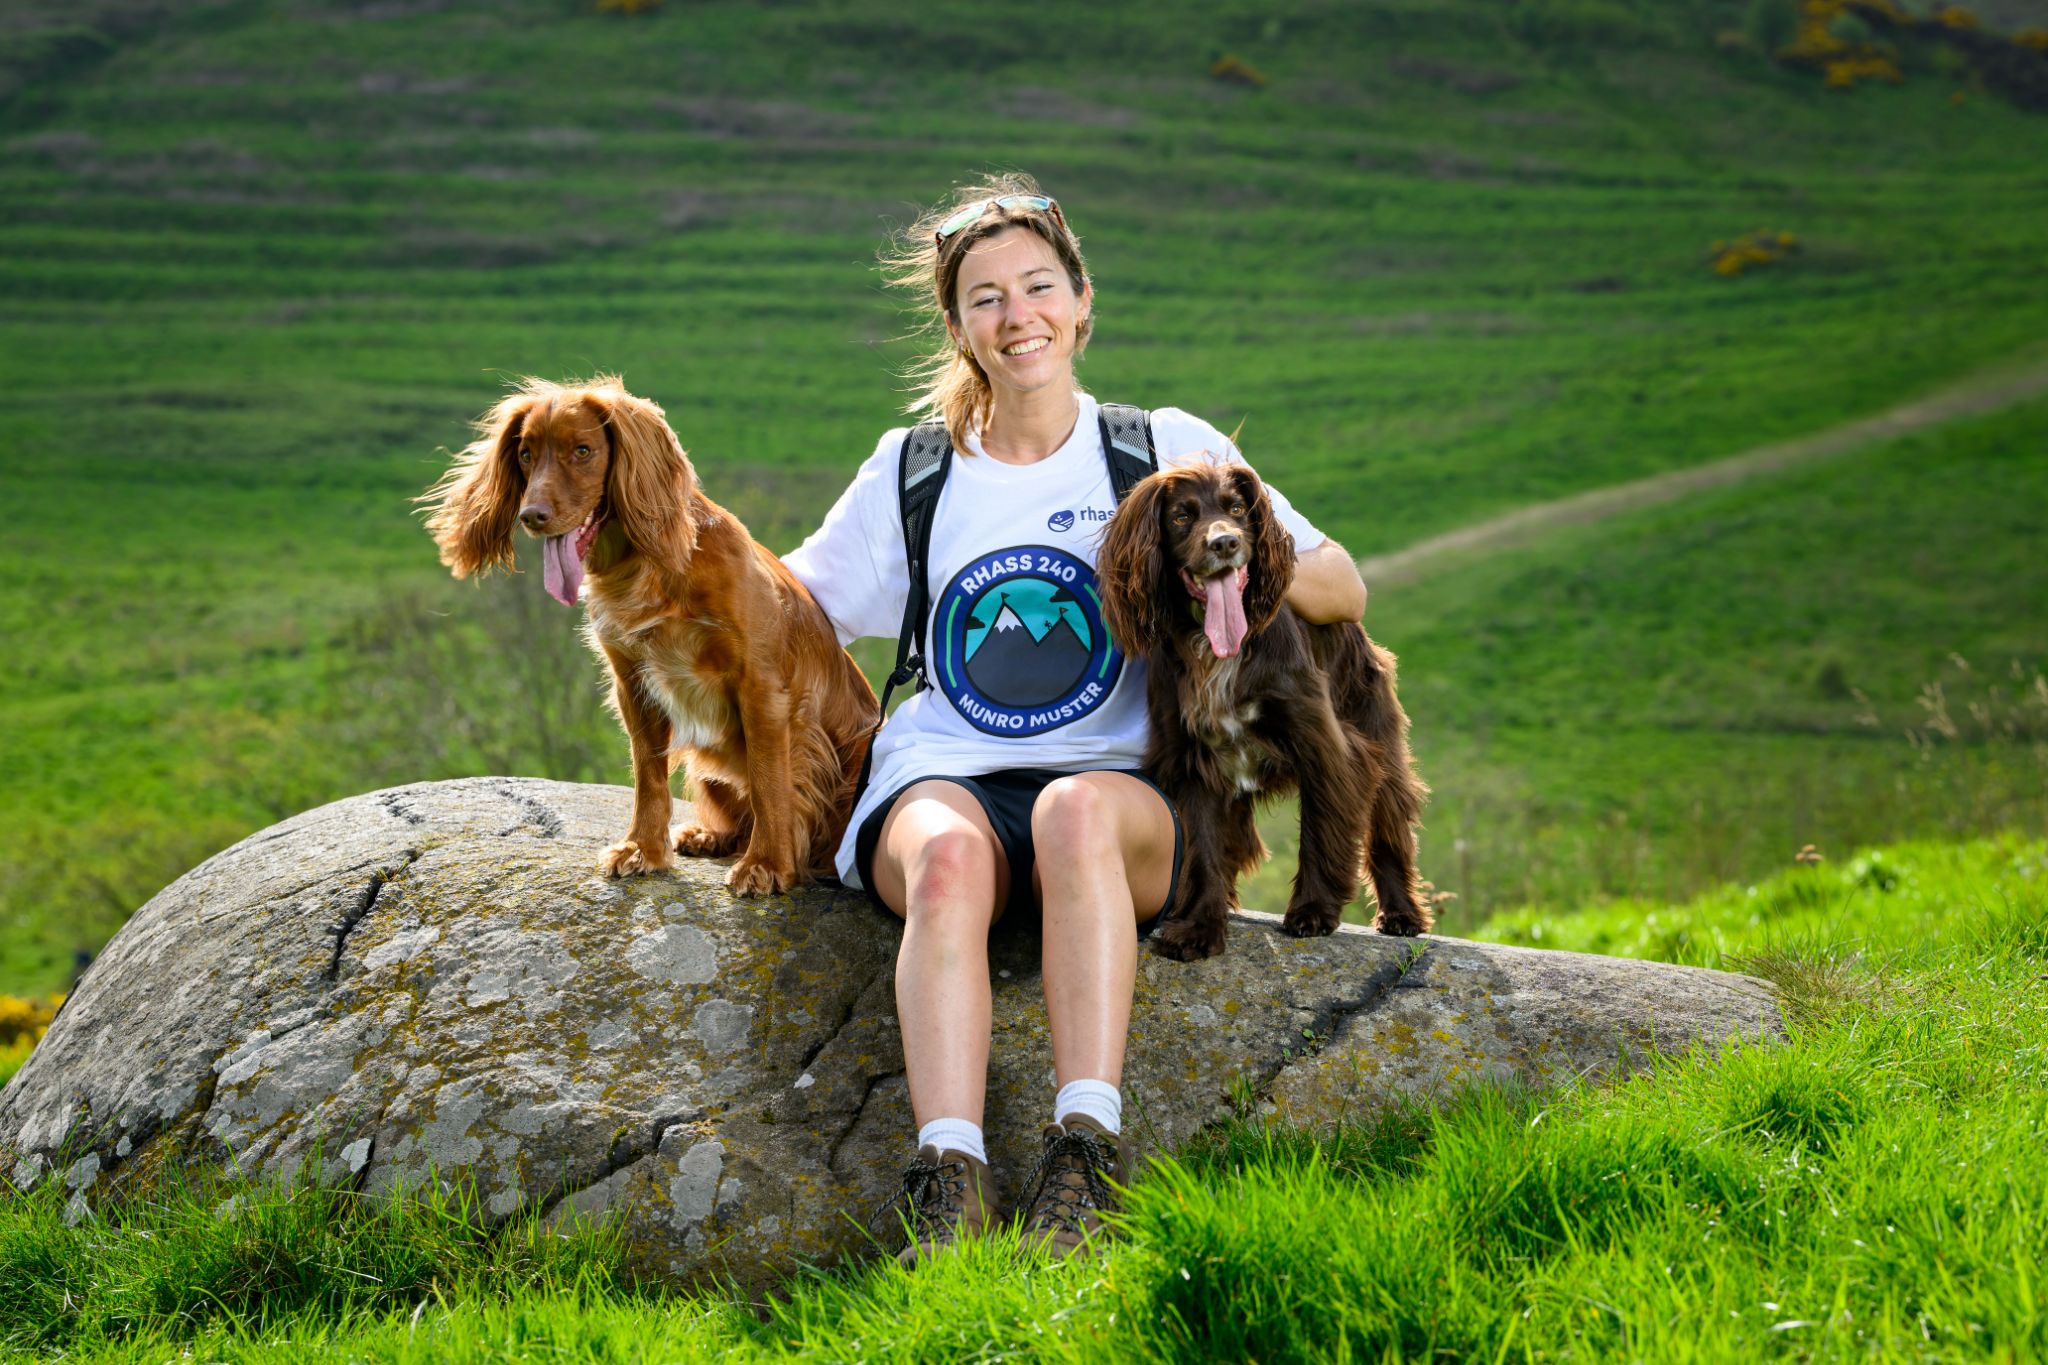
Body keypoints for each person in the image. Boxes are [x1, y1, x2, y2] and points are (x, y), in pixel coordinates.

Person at [781, 174, 1365, 1263]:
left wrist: (1226, 576)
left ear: (1082, 301)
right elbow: (787, 610)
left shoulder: (1158, 448)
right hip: (946, 773)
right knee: (947, 859)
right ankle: (947, 1177)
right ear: (958, 326)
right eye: (987, 298)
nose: (1019, 316)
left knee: (1072, 815)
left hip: (1121, 791)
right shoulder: (911, 469)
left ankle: (1084, 1155)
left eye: (1039, 286)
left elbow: (1342, 585)